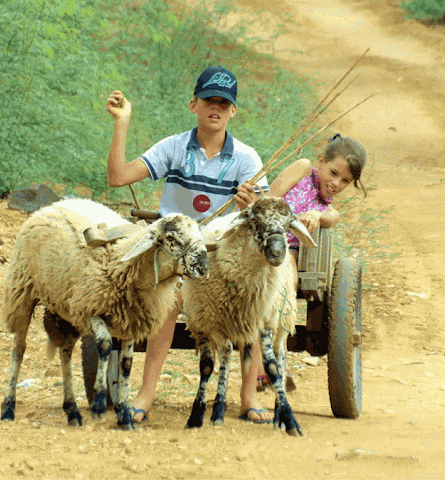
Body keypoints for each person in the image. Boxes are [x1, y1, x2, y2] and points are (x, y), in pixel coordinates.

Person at [105, 66, 273, 424]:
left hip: (221, 258)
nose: (216, 109)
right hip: (175, 252)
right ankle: (146, 393)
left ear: (233, 112)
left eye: (224, 104)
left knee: (253, 304)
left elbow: (264, 214)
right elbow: (117, 177)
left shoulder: (247, 159)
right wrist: (122, 122)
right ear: (193, 103)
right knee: (168, 300)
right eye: (209, 101)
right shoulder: (174, 147)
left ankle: (247, 395)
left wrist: (251, 204)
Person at [236, 133, 367, 390]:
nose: (336, 183)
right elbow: (271, 198)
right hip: (263, 237)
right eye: (333, 173)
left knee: (287, 276)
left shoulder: (324, 207)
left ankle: (276, 356)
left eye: (345, 181)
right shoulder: (304, 168)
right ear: (320, 161)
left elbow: (333, 217)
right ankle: (262, 364)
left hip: (288, 252)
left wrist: (316, 215)